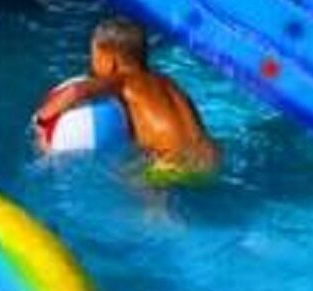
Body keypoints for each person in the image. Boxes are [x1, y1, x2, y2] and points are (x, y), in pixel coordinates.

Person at [32, 17, 221, 178]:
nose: (92, 64)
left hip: (175, 163)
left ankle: (157, 213)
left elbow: (76, 91)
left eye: (94, 57)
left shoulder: (123, 81)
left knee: (129, 178)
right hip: (212, 156)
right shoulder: (166, 81)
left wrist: (41, 121)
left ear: (109, 62)